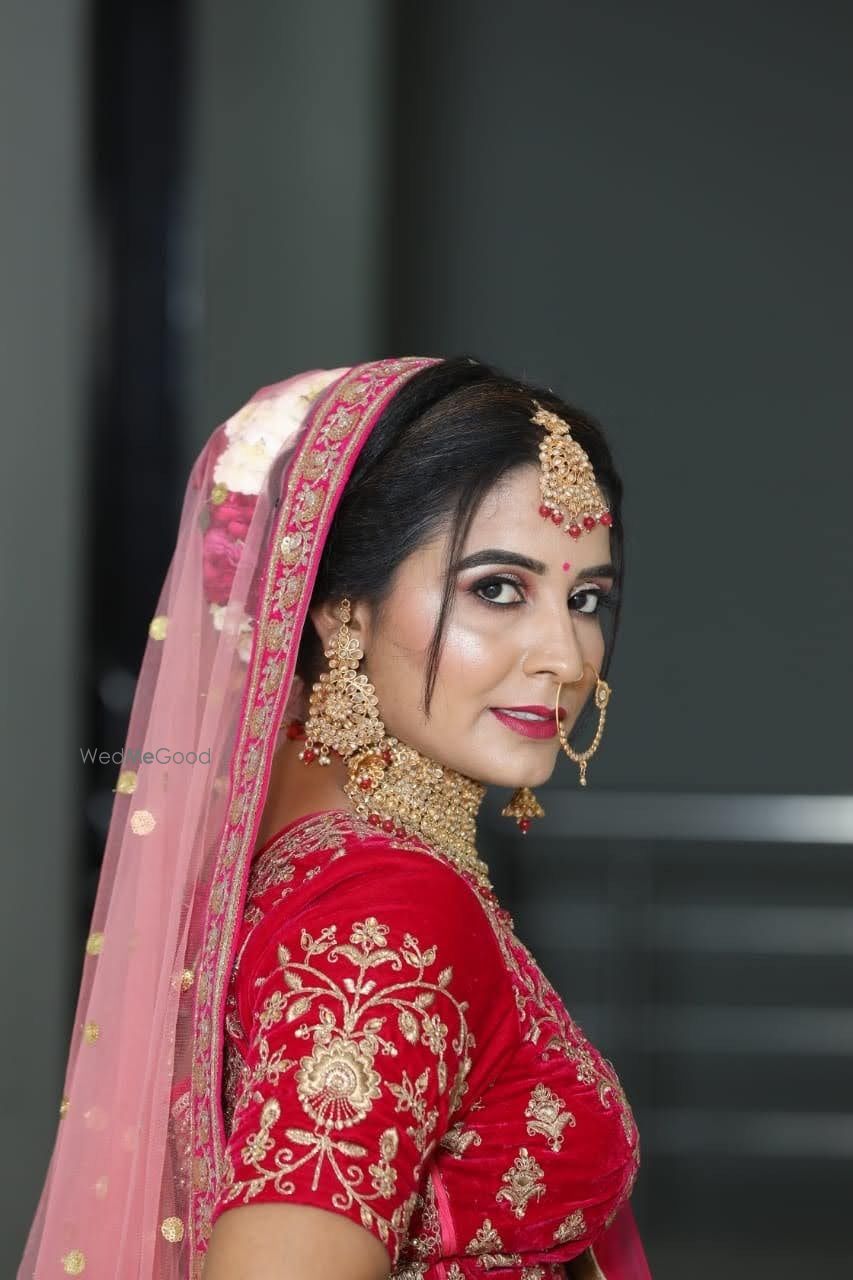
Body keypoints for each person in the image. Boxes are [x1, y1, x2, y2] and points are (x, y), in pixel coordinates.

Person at [20, 356, 652, 1278]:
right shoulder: (391, 908)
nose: (565, 655)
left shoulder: (315, 854)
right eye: (497, 589)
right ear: (340, 611)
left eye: (585, 599)